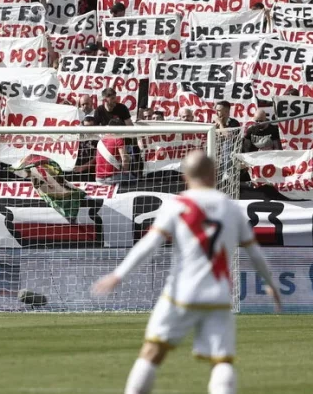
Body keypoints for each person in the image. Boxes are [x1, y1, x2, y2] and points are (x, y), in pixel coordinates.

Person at [92, 151, 280, 394]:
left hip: (181, 293)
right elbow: (255, 253)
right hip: (218, 295)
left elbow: (149, 244)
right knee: (222, 361)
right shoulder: (231, 208)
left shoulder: (178, 205)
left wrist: (118, 275)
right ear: (214, 174)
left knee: (152, 351)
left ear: (185, 177)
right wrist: (270, 283)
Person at [95, 118, 136, 184]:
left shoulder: (101, 140)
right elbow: (125, 159)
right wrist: (125, 172)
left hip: (98, 178)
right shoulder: (118, 139)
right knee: (133, 179)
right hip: (112, 178)